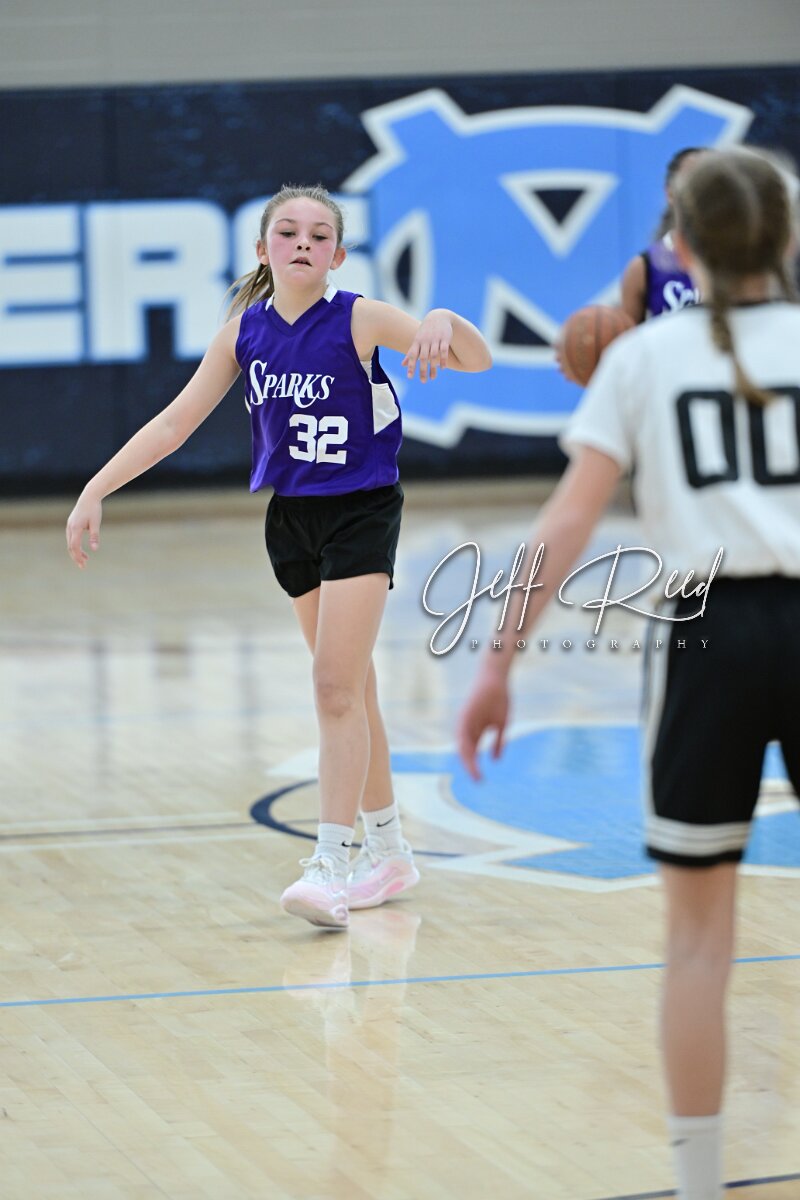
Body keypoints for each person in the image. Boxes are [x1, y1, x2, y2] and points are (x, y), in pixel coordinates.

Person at [456, 149, 800, 1200]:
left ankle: (699, 1186)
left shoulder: (642, 358)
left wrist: (496, 663)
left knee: (696, 943)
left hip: (707, 634)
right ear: (786, 239)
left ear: (678, 246)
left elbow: (563, 528)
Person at [67, 183, 492, 930]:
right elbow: (173, 424)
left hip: (361, 510)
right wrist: (95, 488)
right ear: (263, 249)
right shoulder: (243, 333)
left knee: (333, 688)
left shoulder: (359, 317)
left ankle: (330, 865)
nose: (303, 243)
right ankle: (391, 851)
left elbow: (475, 360)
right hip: (290, 520)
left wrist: (443, 320)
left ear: (338, 255)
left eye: (319, 235)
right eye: (288, 232)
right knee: (353, 691)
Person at [620, 147, 704, 324]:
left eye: (713, 182)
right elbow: (628, 338)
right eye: (691, 179)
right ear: (670, 193)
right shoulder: (643, 267)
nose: (702, 189)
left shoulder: (746, 262)